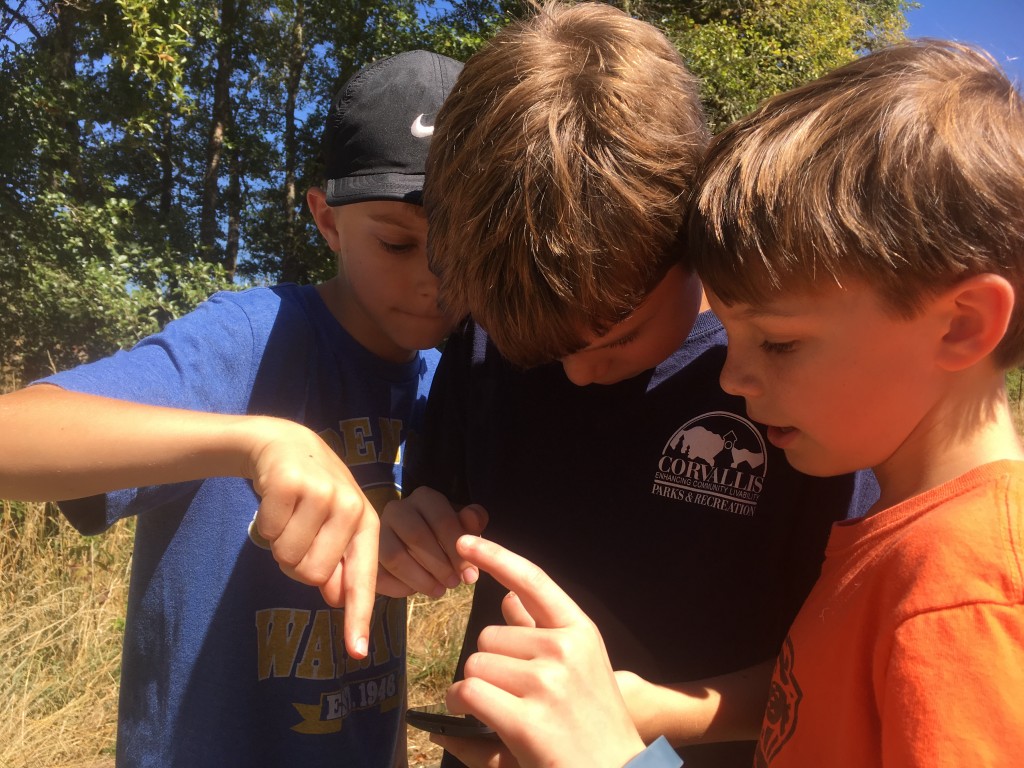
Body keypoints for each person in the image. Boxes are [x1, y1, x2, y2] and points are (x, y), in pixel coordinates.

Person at [439, 38, 1024, 768]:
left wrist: (614, 759)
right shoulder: (892, 549)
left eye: (776, 344)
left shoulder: (967, 602)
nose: (732, 380)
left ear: (963, 324)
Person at [376, 5, 877, 767]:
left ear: (694, 232)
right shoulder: (486, 344)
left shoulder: (796, 391)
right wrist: (411, 527)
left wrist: (642, 716)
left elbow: (849, 671)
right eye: (535, 352)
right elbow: (433, 497)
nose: (577, 371)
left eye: (615, 338)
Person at [0, 49, 462, 767]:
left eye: (465, 245)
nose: (435, 279)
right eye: (398, 241)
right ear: (326, 221)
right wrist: (257, 442)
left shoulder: (444, 378)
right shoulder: (250, 337)